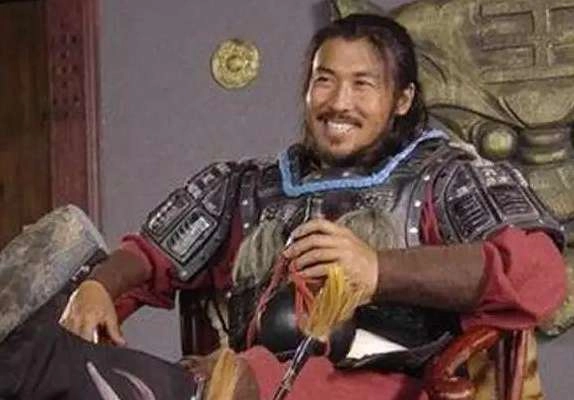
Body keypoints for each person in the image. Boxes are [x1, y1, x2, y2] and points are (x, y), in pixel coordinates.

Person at [0, 14, 567, 400]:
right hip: (248, 381)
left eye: (363, 85)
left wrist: (378, 268)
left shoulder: (448, 177)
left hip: (380, 386)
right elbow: (151, 256)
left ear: (402, 99)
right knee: (42, 355)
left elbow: (537, 272)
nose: (338, 102)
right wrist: (99, 284)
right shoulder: (246, 186)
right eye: (324, 81)